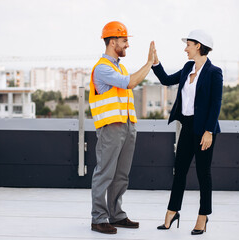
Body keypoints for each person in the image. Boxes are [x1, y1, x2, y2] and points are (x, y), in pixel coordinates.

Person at [152, 29, 223, 235]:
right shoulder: (187, 67)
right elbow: (166, 80)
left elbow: (215, 103)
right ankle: (172, 212)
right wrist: (155, 62)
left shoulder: (213, 72)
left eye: (188, 45)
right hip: (187, 127)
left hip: (204, 130)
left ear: (198, 46)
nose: (186, 48)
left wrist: (209, 131)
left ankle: (203, 216)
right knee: (179, 171)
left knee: (203, 174)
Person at [89, 21, 155, 234]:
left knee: (121, 174)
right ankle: (98, 218)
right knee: (105, 173)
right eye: (124, 40)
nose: (127, 44)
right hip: (111, 128)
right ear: (112, 41)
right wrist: (149, 63)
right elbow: (130, 83)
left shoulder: (119, 67)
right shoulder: (102, 68)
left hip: (126, 126)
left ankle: (116, 215)